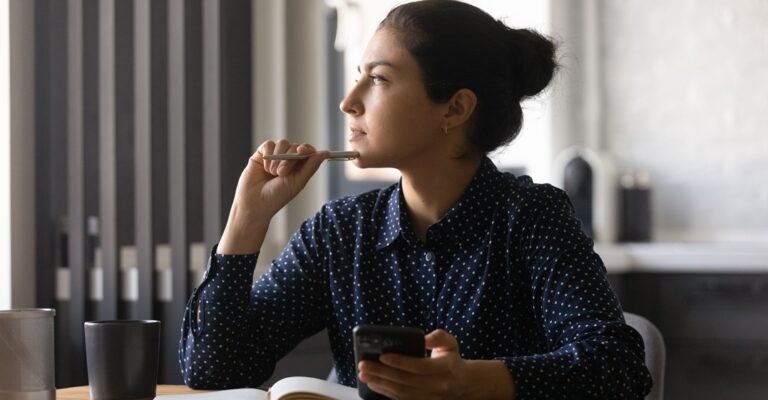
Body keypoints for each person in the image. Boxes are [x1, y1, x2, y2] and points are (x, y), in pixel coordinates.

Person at [179, 0, 653, 398]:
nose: (349, 100)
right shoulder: (339, 231)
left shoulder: (532, 217)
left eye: (379, 79)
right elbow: (213, 372)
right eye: (359, 75)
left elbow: (619, 368)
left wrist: (470, 380)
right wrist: (247, 217)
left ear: (455, 108)